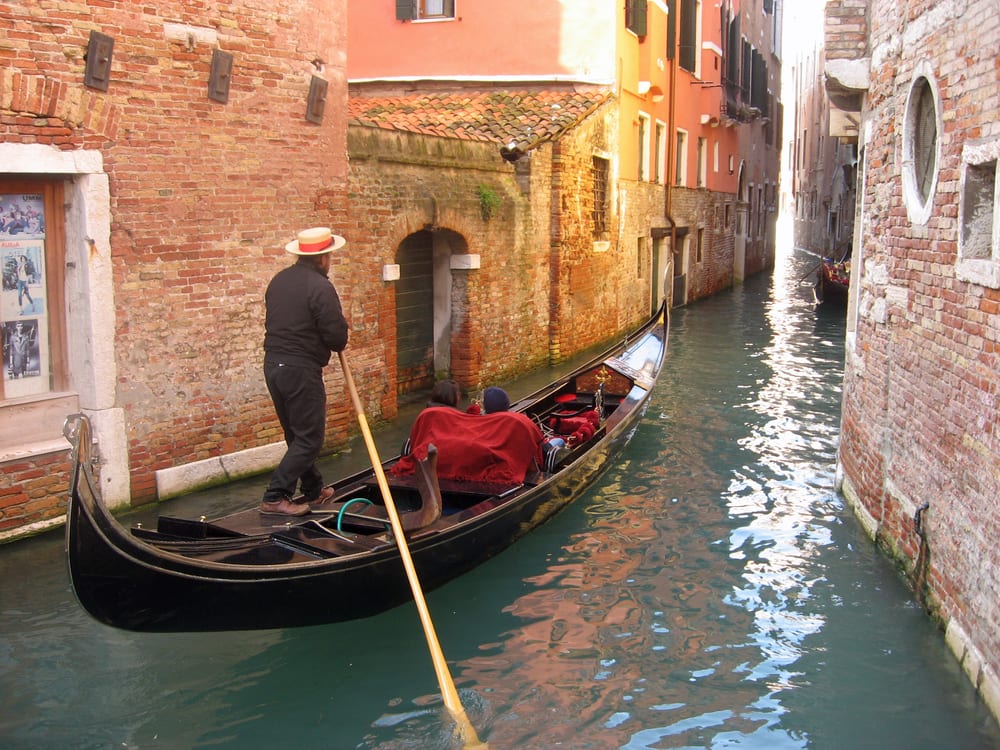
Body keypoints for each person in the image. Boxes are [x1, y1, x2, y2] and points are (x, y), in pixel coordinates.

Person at [260, 227, 349, 516]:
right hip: (300, 369)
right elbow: (337, 339)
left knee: (296, 434)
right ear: (323, 258)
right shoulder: (320, 287)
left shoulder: (278, 281)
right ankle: (275, 497)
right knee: (310, 438)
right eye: (330, 256)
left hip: (273, 365)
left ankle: (313, 490)